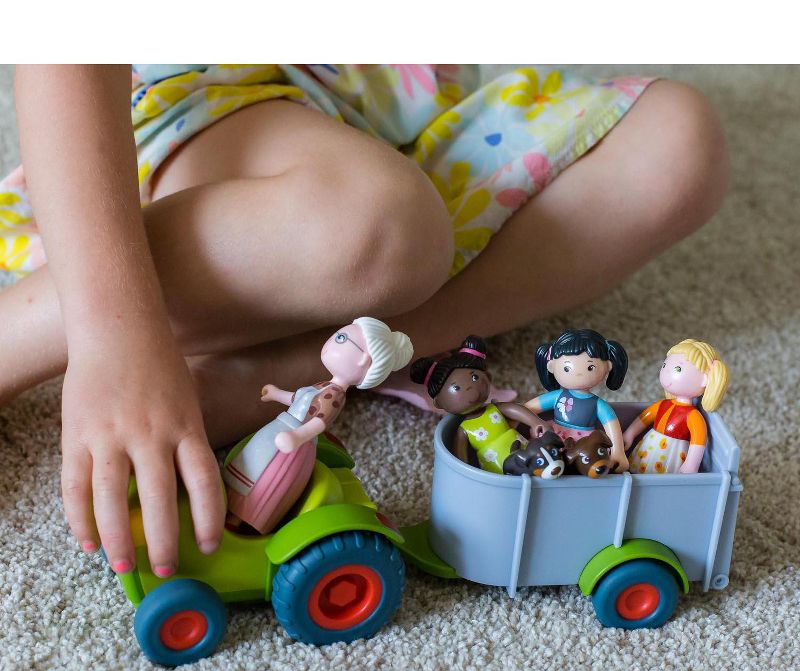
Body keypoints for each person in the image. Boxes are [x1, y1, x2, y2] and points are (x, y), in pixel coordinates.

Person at [0, 65, 729, 576]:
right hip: (204, 97)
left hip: (405, 114)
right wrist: (115, 338)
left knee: (678, 139)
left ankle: (300, 363)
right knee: (378, 229)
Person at [224, 317, 412, 534]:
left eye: (341, 338)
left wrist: (297, 437)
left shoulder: (335, 395)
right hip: (281, 427)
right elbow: (298, 400)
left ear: (363, 360)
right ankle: (229, 503)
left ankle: (241, 520)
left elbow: (319, 421)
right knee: (251, 464)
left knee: (265, 480)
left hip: (293, 442)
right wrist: (275, 393)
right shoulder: (324, 385)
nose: (331, 341)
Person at [410, 335, 546, 472]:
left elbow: (515, 409)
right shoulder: (464, 429)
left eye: (474, 377)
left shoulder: (494, 409)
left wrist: (536, 422)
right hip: (495, 465)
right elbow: (461, 456)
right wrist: (464, 471)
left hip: (524, 448)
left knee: (542, 464)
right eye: (456, 388)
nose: (470, 389)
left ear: (488, 377)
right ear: (439, 403)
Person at [524, 329, 630, 471]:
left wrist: (618, 452)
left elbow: (612, 426)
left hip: (584, 442)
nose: (578, 374)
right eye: (567, 368)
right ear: (551, 367)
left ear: (608, 367)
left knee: (587, 461)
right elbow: (528, 409)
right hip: (555, 434)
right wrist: (517, 420)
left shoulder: (597, 404)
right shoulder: (557, 396)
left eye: (590, 367)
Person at [623, 339, 729, 474]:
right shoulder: (662, 405)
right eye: (665, 365)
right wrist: (629, 434)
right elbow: (644, 418)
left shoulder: (693, 416)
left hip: (672, 452)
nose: (667, 373)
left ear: (704, 379)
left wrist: (691, 464)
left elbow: (697, 442)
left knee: (666, 478)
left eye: (678, 369)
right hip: (649, 447)